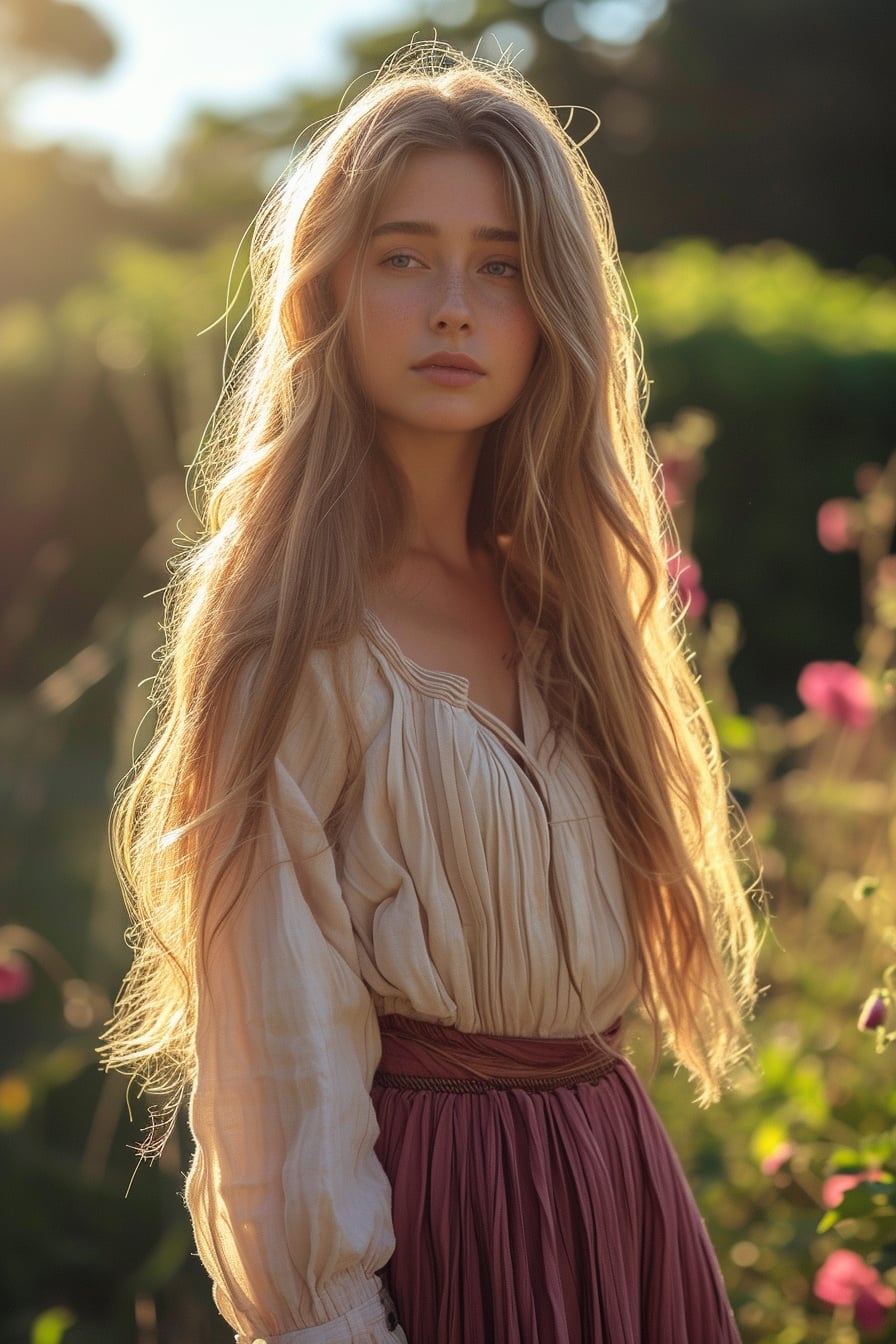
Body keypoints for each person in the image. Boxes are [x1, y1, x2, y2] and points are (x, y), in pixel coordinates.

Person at [102, 40, 759, 1344]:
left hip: (618, 1199)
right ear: (329, 292)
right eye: (405, 256)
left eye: (502, 266)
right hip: (441, 1225)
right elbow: (276, 1057)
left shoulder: (574, 612)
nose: (454, 304)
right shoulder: (291, 632)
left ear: (550, 311)